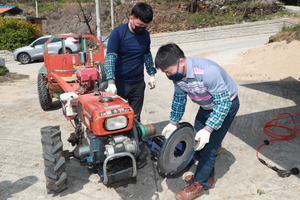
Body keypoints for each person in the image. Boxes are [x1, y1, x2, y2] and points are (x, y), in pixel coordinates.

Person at [154, 43, 240, 200]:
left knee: (209, 146)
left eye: (169, 71)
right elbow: (179, 99)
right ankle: (208, 177)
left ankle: (199, 184)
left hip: (226, 105)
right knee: (197, 142)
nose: (168, 75)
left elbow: (223, 103)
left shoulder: (207, 72)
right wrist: (173, 121)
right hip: (206, 105)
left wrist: (209, 129)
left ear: (182, 61)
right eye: (165, 73)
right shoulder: (178, 76)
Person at [103, 2, 156, 122]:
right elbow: (110, 58)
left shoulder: (145, 35)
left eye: (144, 26)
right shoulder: (118, 33)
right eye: (139, 24)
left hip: (137, 83)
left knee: (135, 118)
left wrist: (151, 74)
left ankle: (136, 139)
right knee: (118, 119)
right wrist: (111, 81)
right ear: (131, 18)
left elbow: (147, 55)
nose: (141, 28)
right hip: (119, 83)